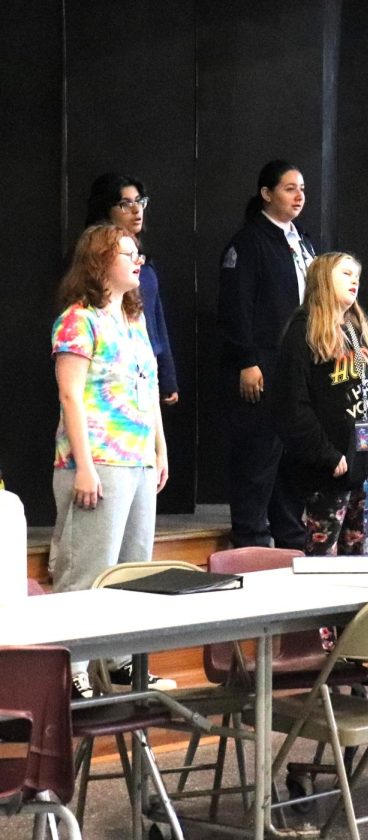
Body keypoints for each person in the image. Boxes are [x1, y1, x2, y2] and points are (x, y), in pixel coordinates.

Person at [49, 224, 172, 698]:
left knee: (132, 567)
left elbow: (149, 386)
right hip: (98, 460)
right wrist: (83, 465)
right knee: (87, 569)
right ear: (99, 263)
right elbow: (69, 395)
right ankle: (69, 672)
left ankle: (120, 664)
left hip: (137, 460)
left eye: (137, 253)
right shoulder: (78, 320)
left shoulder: (134, 318)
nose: (137, 260)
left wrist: (160, 447)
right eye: (126, 253)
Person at [273, 253, 368, 555]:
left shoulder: (359, 331)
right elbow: (292, 407)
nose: (354, 279)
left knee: (365, 557)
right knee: (324, 560)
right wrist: (326, 455)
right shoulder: (302, 332)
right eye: (345, 273)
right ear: (322, 280)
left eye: (356, 274)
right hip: (329, 474)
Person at [217, 159, 315, 550]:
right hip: (263, 364)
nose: (299, 195)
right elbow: (235, 307)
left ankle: (290, 534)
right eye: (290, 188)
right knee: (258, 454)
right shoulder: (248, 241)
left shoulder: (302, 240)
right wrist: (246, 360)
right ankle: (250, 537)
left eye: (302, 188)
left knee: (293, 455)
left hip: (299, 366)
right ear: (266, 194)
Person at [85, 173, 179, 405]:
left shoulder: (144, 259)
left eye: (140, 201)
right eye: (125, 204)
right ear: (106, 209)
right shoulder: (91, 258)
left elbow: (155, 317)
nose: (137, 210)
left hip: (147, 366)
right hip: (111, 372)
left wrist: (168, 376)